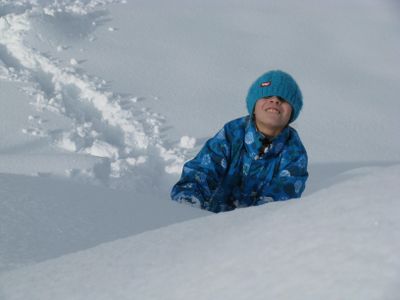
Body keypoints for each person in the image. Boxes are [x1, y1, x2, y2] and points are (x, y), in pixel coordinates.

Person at [171, 70, 308, 213]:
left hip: (256, 230)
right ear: (253, 108)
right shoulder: (233, 133)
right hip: (207, 218)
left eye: (283, 99)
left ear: (292, 113)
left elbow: (281, 199)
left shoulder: (295, 153)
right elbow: (203, 170)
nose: (275, 100)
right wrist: (189, 202)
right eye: (267, 96)